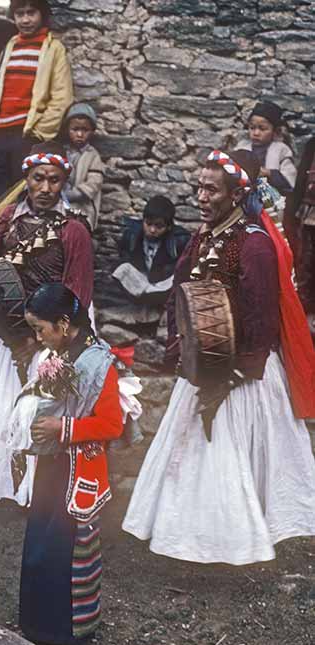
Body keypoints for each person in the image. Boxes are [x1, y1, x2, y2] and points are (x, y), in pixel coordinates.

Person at [123, 149, 315, 566]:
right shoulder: (200, 239)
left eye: (212, 189)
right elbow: (179, 297)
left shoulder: (254, 245)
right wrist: (184, 351)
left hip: (243, 373)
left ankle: (231, 536)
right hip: (202, 363)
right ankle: (184, 531)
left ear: (234, 195)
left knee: (231, 452)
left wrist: (230, 373)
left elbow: (262, 320)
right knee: (192, 452)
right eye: (199, 187)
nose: (202, 196)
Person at [0, 143, 94, 507]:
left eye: (54, 181)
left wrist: (52, 336)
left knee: (36, 410)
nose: (45, 188)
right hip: (3, 333)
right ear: (26, 179)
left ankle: (31, 489)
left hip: (48, 339)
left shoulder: (73, 230)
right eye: (38, 178)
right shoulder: (7, 218)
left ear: (64, 183)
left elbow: (78, 290)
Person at [10, 284, 123, 645]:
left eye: (40, 328)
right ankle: (38, 624)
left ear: (63, 323)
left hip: (78, 470)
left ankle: (59, 635)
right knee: (41, 541)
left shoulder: (97, 363)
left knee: (62, 549)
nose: (37, 337)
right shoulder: (59, 353)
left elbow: (111, 424)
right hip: (53, 466)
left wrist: (63, 429)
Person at [0, 0, 73, 203]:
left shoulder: (53, 49)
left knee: (22, 195)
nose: (25, 19)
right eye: (19, 14)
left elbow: (62, 96)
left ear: (42, 15)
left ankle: (19, 235)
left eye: (31, 13)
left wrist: (38, 134)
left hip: (27, 135)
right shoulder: (10, 46)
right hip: (0, 133)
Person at [102, 196, 190, 341]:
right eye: (148, 224)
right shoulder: (131, 235)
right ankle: (143, 307)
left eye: (159, 226)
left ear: (168, 227)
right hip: (141, 283)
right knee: (121, 269)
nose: (152, 230)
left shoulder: (179, 240)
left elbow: (181, 269)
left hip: (163, 286)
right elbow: (124, 260)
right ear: (143, 221)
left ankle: (157, 311)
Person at [236, 100, 297, 196]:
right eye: (252, 128)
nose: (256, 133)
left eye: (262, 128)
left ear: (274, 131)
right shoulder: (242, 148)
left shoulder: (281, 150)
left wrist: (269, 173)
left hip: (273, 201)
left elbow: (289, 182)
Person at [60, 102, 105, 231]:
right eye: (75, 129)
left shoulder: (93, 156)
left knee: (76, 230)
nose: (79, 134)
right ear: (67, 130)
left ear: (91, 131)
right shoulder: (62, 152)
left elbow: (94, 183)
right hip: (59, 204)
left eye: (84, 130)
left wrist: (71, 194)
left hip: (82, 207)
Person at [285, 135, 315, 320]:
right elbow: (299, 188)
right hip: (309, 221)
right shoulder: (312, 146)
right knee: (306, 265)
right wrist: (290, 217)